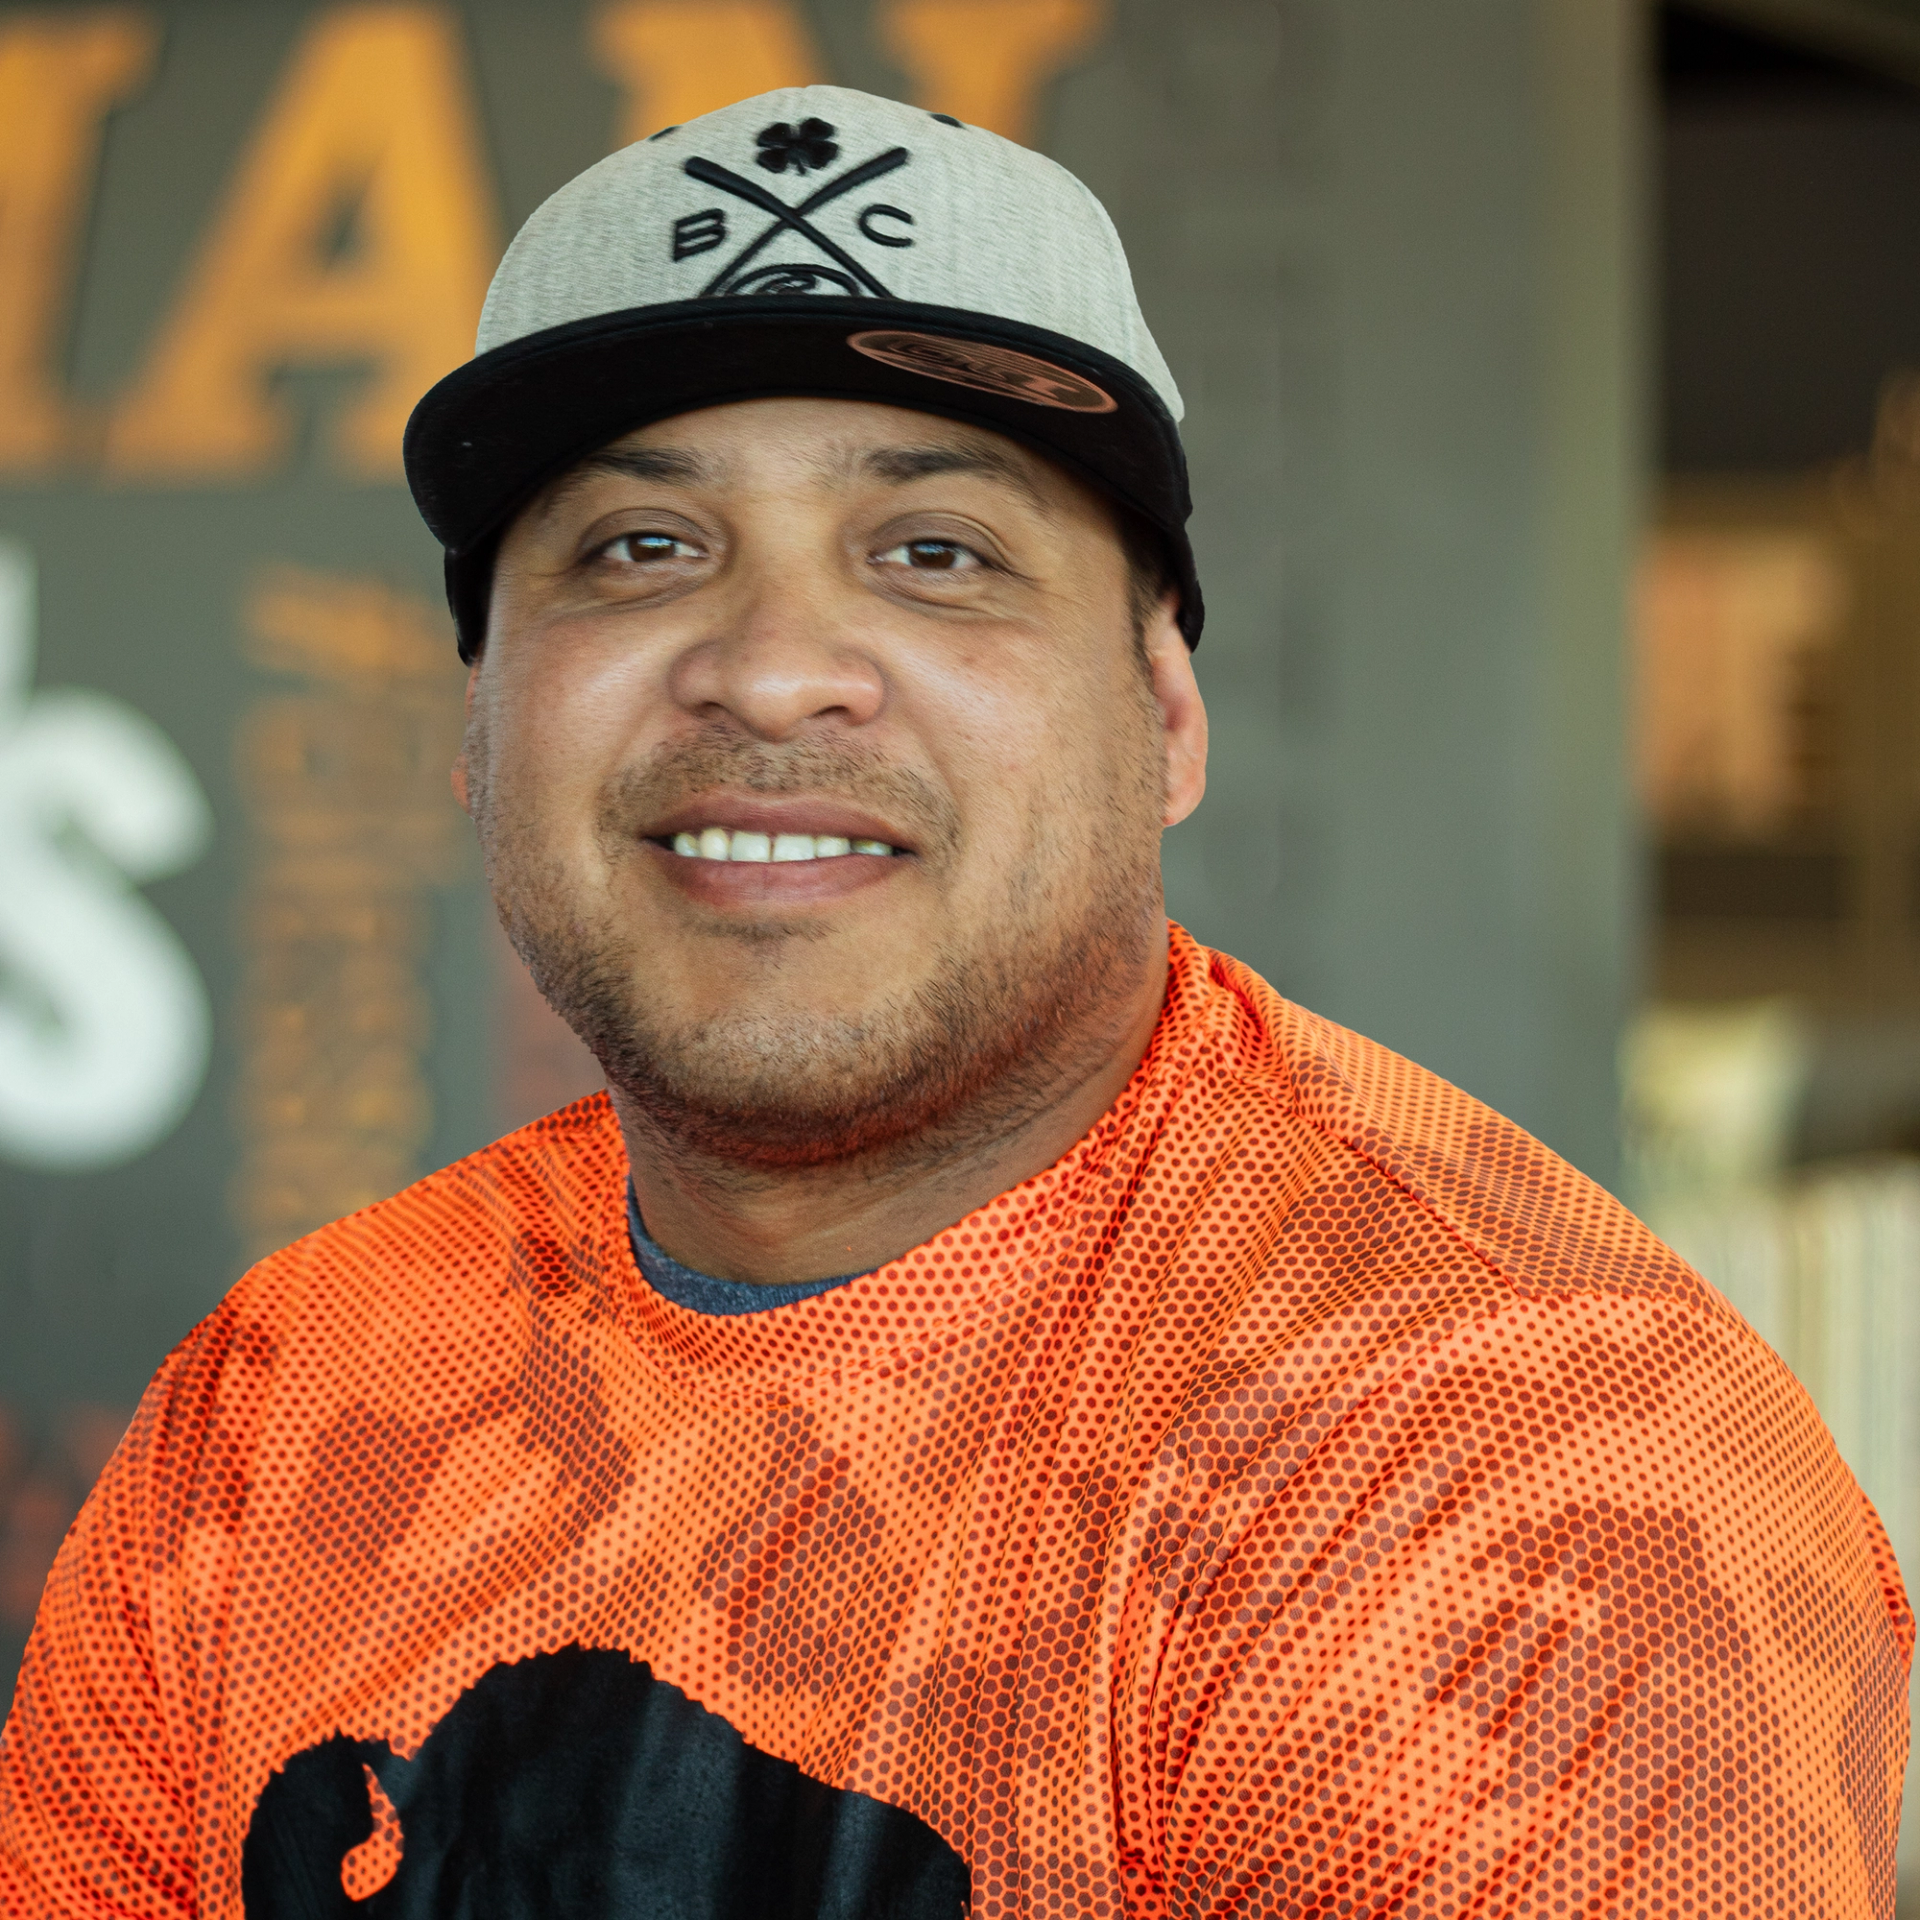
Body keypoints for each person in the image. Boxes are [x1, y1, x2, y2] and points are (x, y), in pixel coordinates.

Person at [0, 84, 1908, 1920]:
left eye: (937, 554)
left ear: (1165, 720)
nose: (772, 670)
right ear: (479, 730)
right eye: (641, 548)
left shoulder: (1515, 1461)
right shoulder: (285, 1395)